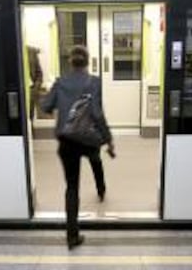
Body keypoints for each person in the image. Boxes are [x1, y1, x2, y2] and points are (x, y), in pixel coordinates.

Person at [42, 45, 114, 250]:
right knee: (96, 160)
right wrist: (108, 139)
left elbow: (46, 106)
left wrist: (61, 107)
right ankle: (101, 189)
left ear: (70, 62)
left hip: (67, 141)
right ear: (88, 62)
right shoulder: (94, 82)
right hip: (88, 138)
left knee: (71, 187)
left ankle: (72, 236)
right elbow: (98, 113)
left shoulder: (60, 82)